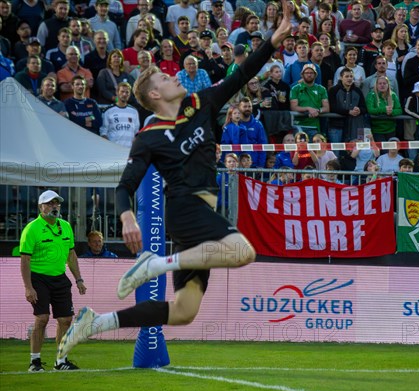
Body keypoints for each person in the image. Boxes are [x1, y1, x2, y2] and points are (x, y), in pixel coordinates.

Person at [58, 6, 295, 360]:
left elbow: (241, 75)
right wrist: (126, 217)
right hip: (185, 207)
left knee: (184, 311)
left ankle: (96, 322)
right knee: (244, 251)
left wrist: (272, 43)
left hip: (198, 218)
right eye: (167, 80)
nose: (175, 78)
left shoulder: (200, 103)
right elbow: (125, 186)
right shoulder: (148, 136)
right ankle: (154, 264)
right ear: (155, 95)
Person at [20, 190, 87, 371]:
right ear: (41, 207)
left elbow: (71, 255)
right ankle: (35, 362)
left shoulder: (65, 226)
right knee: (42, 318)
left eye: (56, 203)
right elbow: (25, 260)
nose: (54, 206)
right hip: (38, 278)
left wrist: (79, 279)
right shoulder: (32, 229)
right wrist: (28, 287)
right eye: (49, 203)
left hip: (60, 278)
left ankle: (61, 361)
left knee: (65, 320)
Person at [100, 82, 140, 147]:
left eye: (127, 92)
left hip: (129, 151)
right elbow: (103, 132)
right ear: (117, 92)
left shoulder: (134, 111)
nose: (124, 94)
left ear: (130, 94)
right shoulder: (108, 110)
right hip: (114, 151)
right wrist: (108, 147)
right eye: (122, 91)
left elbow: (136, 132)